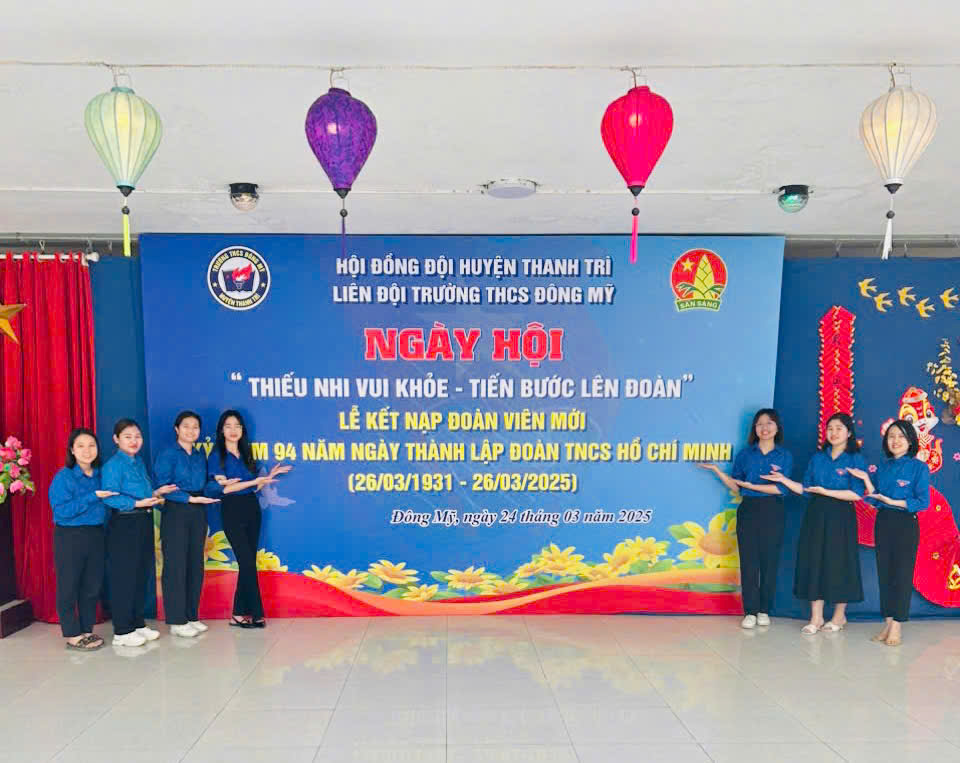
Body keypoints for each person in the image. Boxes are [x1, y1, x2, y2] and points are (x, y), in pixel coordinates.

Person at [762, 412, 866, 634]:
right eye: (830, 428)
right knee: (814, 560)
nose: (834, 433)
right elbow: (807, 490)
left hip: (841, 516)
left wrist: (826, 492)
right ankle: (816, 617)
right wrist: (783, 480)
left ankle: (839, 616)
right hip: (816, 514)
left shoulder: (855, 459)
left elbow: (857, 494)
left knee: (839, 562)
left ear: (849, 432)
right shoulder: (817, 458)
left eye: (839, 428)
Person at [698, 408, 793, 629]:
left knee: (770, 562)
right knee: (749, 562)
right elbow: (737, 486)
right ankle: (750, 611)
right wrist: (716, 471)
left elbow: (781, 489)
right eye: (760, 424)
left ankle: (764, 610)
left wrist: (752, 486)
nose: (764, 428)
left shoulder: (784, 456)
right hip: (748, 509)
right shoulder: (745, 455)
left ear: (777, 427)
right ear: (754, 429)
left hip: (773, 510)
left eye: (769, 423)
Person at [206, 410, 290, 628]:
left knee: (248, 563)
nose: (233, 430)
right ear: (221, 430)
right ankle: (257, 613)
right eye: (228, 426)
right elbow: (225, 489)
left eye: (237, 426)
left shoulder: (246, 453)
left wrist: (268, 477)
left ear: (243, 430)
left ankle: (237, 614)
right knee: (246, 562)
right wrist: (253, 482)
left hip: (252, 508)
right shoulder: (216, 456)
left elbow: (253, 487)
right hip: (231, 509)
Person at [847, 419, 928, 646]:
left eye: (901, 436)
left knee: (902, 574)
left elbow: (923, 502)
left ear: (910, 441)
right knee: (885, 574)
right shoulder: (883, 467)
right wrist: (866, 479)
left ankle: (897, 626)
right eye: (891, 436)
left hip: (906, 524)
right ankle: (888, 622)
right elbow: (875, 498)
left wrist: (893, 501)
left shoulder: (919, 468)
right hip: (883, 522)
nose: (896, 440)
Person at [101, 419, 178, 647]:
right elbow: (110, 497)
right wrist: (137, 504)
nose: (134, 441)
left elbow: (142, 493)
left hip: (143, 521)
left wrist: (156, 493)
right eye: (128, 437)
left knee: (140, 575)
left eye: (137, 436)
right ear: (116, 439)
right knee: (124, 577)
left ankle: (137, 623)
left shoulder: (138, 462)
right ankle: (122, 631)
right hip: (125, 524)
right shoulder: (114, 465)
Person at [48, 428, 117, 650]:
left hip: (96, 534)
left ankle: (87, 630)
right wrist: (92, 497)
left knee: (91, 585)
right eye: (81, 446)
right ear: (72, 450)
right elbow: (61, 511)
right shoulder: (64, 477)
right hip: (70, 536)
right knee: (69, 585)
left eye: (91, 445)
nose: (87, 451)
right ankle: (72, 634)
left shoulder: (101, 475)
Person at [154, 411, 220, 638]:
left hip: (198, 510)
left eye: (195, 427)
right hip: (176, 510)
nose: (191, 431)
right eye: (186, 426)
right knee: (176, 565)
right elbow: (163, 486)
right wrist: (189, 499)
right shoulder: (167, 454)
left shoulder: (200, 455)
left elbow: (205, 485)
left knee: (195, 564)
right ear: (177, 429)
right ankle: (176, 620)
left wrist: (220, 484)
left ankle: (192, 616)